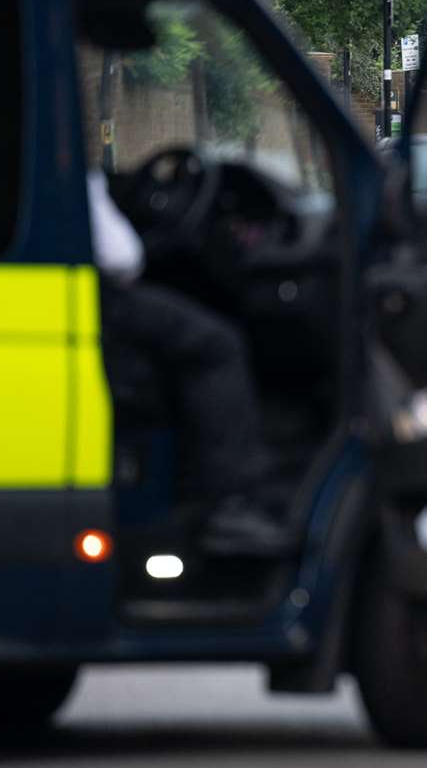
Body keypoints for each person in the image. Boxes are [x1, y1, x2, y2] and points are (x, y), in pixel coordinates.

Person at [89, 170, 287, 554]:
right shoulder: (68, 159)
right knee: (218, 347)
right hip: (99, 301)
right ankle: (230, 501)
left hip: (82, 297)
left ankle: (192, 477)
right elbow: (121, 256)